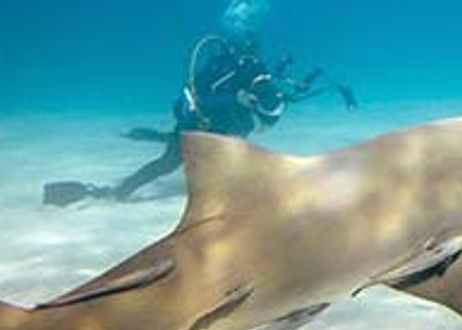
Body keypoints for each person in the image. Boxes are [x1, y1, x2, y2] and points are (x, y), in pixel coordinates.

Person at [43, 34, 351, 206]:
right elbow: (197, 98)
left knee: (232, 168)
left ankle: (154, 138)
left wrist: (329, 87)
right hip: (197, 127)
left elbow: (286, 95)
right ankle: (108, 192)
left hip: (227, 134)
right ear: (235, 52)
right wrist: (234, 98)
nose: (250, 60)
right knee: (168, 164)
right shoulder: (219, 72)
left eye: (254, 53)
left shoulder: (258, 75)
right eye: (246, 54)